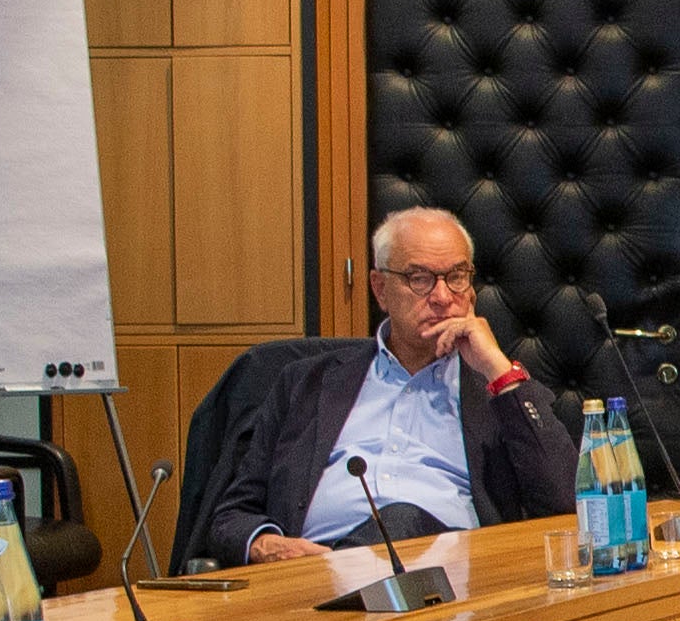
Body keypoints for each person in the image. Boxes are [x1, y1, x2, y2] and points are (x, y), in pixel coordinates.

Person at [180, 205, 580, 574]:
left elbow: (566, 503)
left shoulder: (499, 391)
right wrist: (272, 548)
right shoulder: (305, 384)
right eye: (419, 278)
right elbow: (230, 515)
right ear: (379, 289)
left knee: (402, 518)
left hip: (449, 586)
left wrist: (497, 368)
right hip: (306, 578)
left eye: (456, 277)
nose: (443, 297)